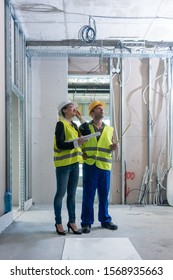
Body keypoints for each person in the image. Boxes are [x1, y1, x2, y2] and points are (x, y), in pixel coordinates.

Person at [78, 100, 118, 233]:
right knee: (88, 195)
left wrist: (114, 147)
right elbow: (78, 144)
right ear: (92, 112)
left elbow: (111, 145)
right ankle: (86, 222)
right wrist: (80, 154)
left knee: (104, 195)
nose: (102, 110)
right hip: (90, 166)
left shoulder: (110, 129)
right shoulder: (84, 128)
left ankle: (105, 220)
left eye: (102, 109)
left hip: (105, 166)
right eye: (99, 109)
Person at [53, 100, 86, 235]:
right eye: (72, 107)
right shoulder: (61, 124)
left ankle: (72, 222)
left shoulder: (74, 125)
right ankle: (58, 222)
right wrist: (76, 144)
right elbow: (60, 144)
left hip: (74, 164)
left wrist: (81, 118)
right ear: (64, 110)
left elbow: (85, 133)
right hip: (63, 165)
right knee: (61, 194)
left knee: (72, 195)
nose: (75, 108)